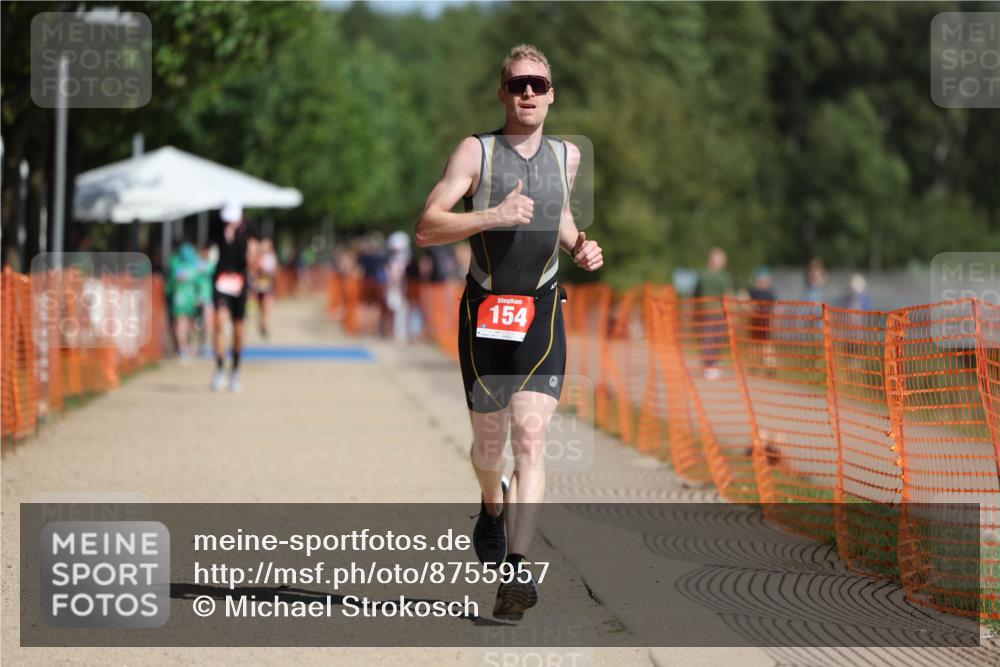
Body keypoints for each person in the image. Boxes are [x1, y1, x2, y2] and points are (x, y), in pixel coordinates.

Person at [415, 44, 603, 620]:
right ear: (502, 92)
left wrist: (578, 244)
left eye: (538, 85)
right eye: (518, 84)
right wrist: (491, 216)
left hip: (542, 309)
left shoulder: (568, 156)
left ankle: (517, 571)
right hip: (485, 311)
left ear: (552, 94)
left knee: (530, 436)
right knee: (489, 447)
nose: (528, 93)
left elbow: (561, 213)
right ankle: (490, 507)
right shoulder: (476, 151)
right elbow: (427, 227)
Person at [210, 199, 258, 392]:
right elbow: (208, 250)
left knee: (238, 329)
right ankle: (220, 368)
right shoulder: (217, 227)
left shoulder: (248, 231)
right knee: (220, 324)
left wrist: (253, 255)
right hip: (221, 281)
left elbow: (252, 263)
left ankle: (235, 371)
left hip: (240, 283)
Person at [694, 247, 733, 380]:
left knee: (712, 338)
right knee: (712, 338)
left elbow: (695, 293)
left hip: (713, 311)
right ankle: (709, 364)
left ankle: (711, 363)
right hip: (713, 311)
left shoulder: (704, 274)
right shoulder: (716, 276)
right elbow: (728, 294)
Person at [168, 242, 201, 361]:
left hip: (183, 298)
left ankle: (184, 347)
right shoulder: (190, 265)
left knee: (185, 323)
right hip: (185, 298)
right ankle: (182, 348)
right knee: (183, 323)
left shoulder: (176, 263)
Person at [252, 238, 278, 338]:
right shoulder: (257, 257)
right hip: (258, 286)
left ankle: (265, 324)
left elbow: (274, 272)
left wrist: (266, 273)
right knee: (259, 306)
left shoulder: (271, 258)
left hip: (267, 285)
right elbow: (253, 269)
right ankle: (261, 322)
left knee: (266, 306)